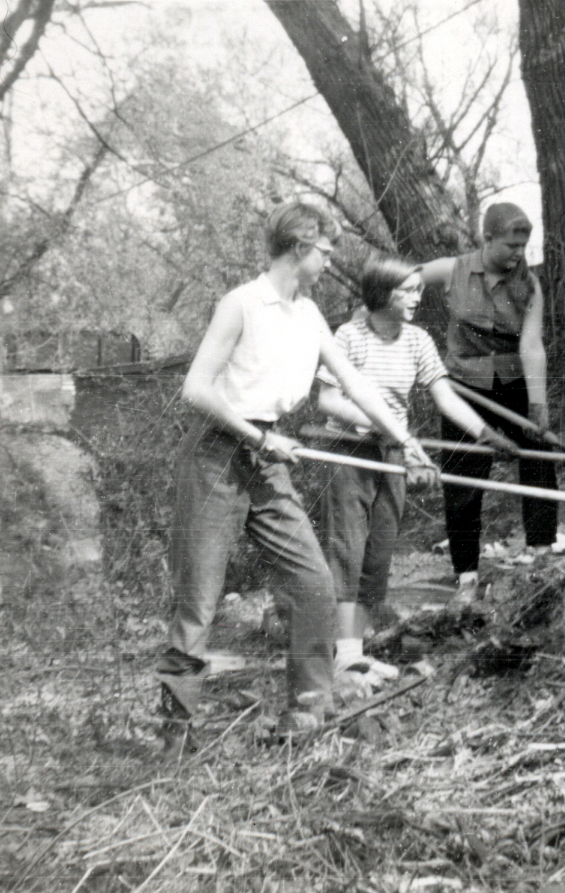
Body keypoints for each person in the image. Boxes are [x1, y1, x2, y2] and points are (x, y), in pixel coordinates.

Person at [155, 202, 438, 754]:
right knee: (199, 601)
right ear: (298, 248)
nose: (331, 262)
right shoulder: (241, 304)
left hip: (268, 461)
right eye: (326, 252)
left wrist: (407, 443)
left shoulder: (307, 314)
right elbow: (196, 388)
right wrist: (259, 438)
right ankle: (176, 730)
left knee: (314, 585)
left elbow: (354, 384)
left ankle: (307, 712)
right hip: (217, 455)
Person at [315, 256, 520, 686]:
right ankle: (344, 658)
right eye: (406, 291)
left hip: (394, 452)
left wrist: (485, 433)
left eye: (417, 290)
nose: (416, 297)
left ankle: (355, 653)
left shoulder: (418, 340)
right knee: (347, 547)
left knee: (379, 551)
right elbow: (328, 401)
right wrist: (377, 425)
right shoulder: (349, 336)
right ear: (380, 293)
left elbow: (444, 396)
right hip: (350, 452)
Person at [420, 202, 563, 608]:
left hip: (515, 383)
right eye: (510, 244)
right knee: (464, 475)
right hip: (465, 387)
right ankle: (466, 571)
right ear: (486, 238)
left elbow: (531, 344)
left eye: (524, 245)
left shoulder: (530, 285)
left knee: (537, 458)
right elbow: (402, 281)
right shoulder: (453, 269)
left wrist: (538, 404)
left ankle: (541, 551)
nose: (518, 253)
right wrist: (374, 307)